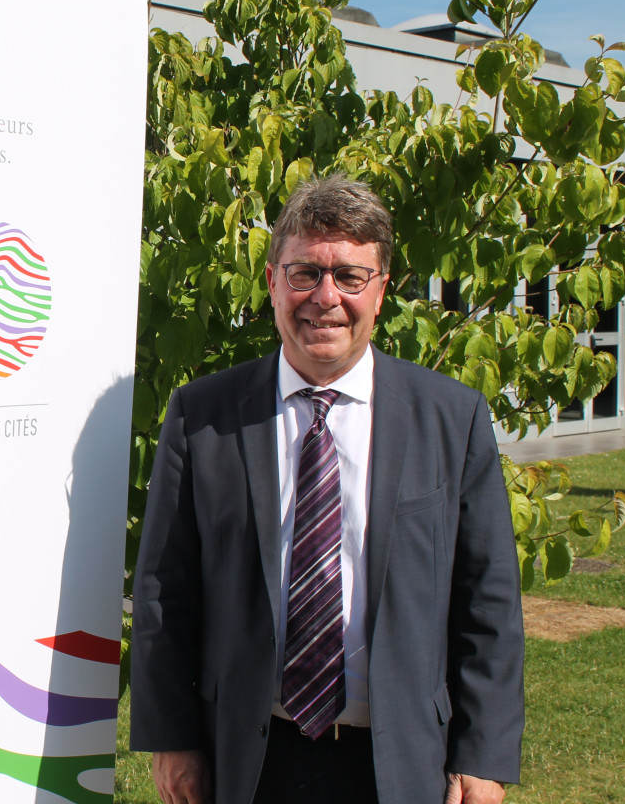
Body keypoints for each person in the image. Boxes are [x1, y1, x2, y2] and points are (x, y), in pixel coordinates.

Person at [130, 175, 524, 804]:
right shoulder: (202, 416)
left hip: (397, 761)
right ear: (271, 281)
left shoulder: (453, 418)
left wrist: (483, 754)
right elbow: (163, 593)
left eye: (350, 277)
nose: (325, 297)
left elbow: (488, 601)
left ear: (382, 290)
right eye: (305, 272)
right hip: (248, 759)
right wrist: (172, 737)